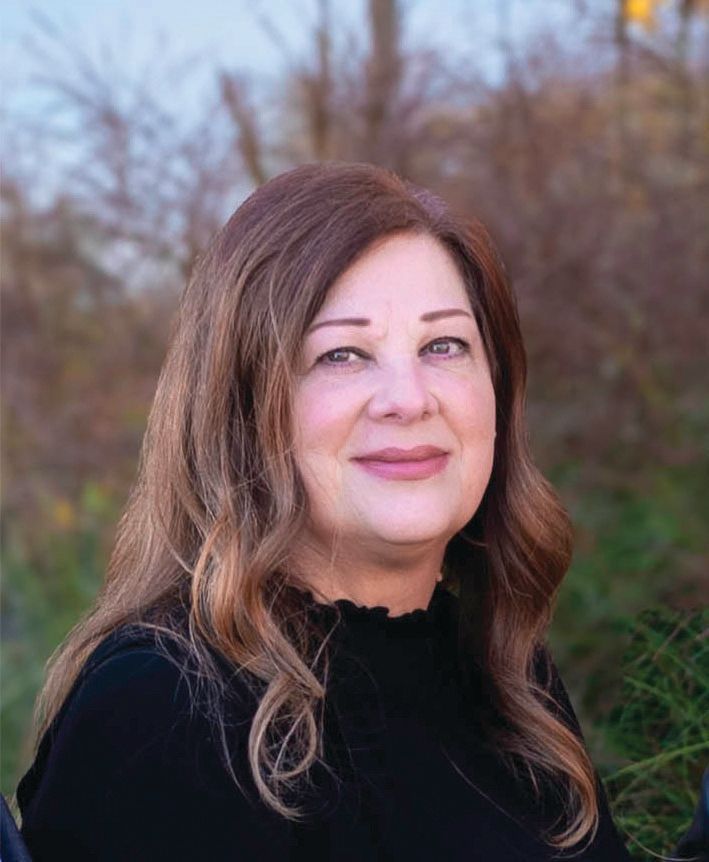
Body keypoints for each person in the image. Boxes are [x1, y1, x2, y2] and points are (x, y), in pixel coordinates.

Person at [16, 162, 633, 860]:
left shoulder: (509, 678)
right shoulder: (162, 711)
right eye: (341, 354)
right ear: (242, 411)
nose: (408, 397)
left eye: (443, 345)